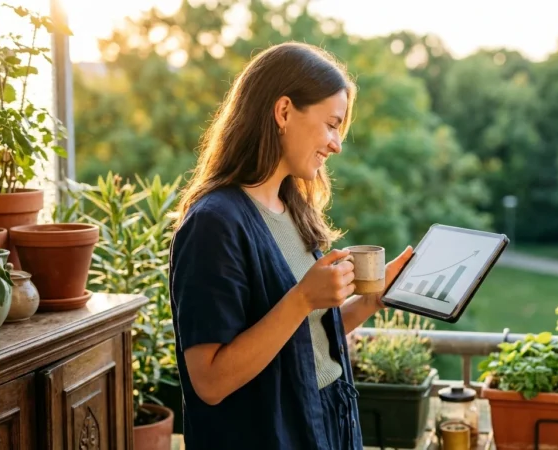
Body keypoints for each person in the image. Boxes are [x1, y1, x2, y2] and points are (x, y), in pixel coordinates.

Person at [169, 42, 413, 450]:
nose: (337, 144)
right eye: (332, 124)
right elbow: (209, 381)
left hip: (328, 421)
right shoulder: (214, 223)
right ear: (283, 111)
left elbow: (305, 341)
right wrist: (302, 298)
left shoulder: (292, 209)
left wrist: (371, 301)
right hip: (274, 433)